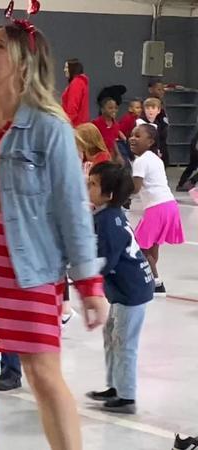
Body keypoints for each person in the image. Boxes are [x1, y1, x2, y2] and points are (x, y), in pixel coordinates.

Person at [0, 23, 108, 450]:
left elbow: (72, 209)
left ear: (25, 64)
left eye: (0, 48)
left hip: (27, 272)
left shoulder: (51, 127)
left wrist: (89, 285)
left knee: (43, 376)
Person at [85, 162, 154, 415]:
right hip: (122, 290)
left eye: (93, 184)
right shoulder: (105, 215)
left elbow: (106, 260)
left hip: (131, 291)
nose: (88, 187)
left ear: (110, 195)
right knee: (111, 336)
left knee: (124, 342)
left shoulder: (109, 220)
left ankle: (127, 396)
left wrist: (82, 275)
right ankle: (115, 386)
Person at [130, 124, 184, 296]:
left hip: (157, 208)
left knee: (140, 246)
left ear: (150, 141)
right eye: (132, 135)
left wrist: (115, 192)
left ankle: (156, 283)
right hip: (170, 205)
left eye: (138, 136)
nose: (132, 138)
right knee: (152, 247)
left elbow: (135, 188)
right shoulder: (155, 158)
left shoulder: (141, 161)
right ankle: (151, 278)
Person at [136, 97, 169, 164]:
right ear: (144, 110)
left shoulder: (157, 124)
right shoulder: (139, 122)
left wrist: (157, 151)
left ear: (158, 110)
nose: (150, 110)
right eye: (147, 108)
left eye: (153, 108)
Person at [61, 58, 90, 126]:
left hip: (75, 127)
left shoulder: (76, 83)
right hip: (79, 125)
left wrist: (66, 125)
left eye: (67, 67)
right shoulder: (80, 82)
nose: (64, 70)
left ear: (73, 68)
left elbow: (72, 108)